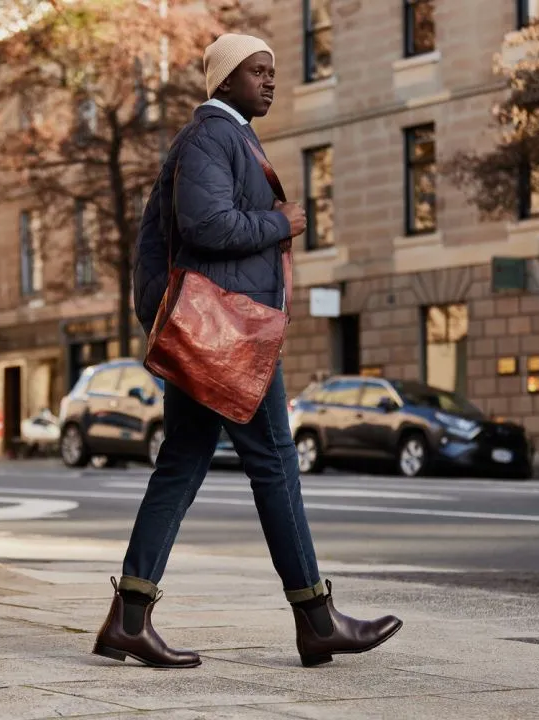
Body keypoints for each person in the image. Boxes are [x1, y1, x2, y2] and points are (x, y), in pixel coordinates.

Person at [93, 33, 402, 670]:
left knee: (182, 462)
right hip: (228, 335)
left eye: (271, 70)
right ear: (225, 80)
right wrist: (279, 223)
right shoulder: (212, 134)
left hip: (217, 329)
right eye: (256, 71)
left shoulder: (226, 136)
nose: (269, 81)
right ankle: (316, 620)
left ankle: (129, 618)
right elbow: (206, 224)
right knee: (274, 461)